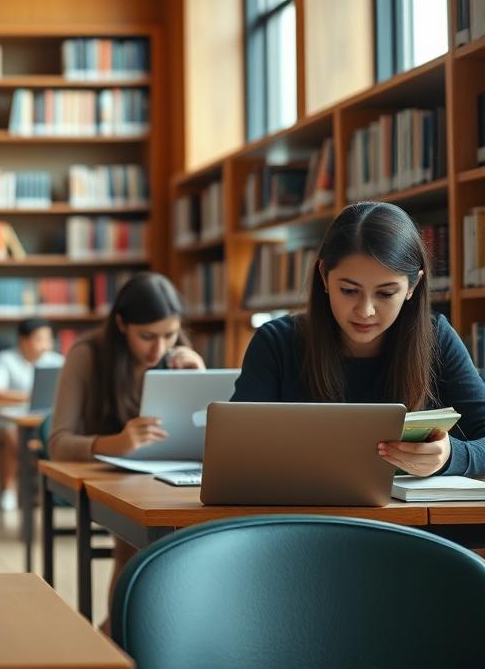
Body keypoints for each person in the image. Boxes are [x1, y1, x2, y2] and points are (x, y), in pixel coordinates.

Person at [232, 201, 485, 477]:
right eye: (349, 290)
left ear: (413, 286)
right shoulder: (276, 343)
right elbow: (234, 447)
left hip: (408, 517)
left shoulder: (436, 338)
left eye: (386, 293)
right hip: (300, 512)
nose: (365, 311)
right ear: (324, 277)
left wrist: (451, 456)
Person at [46, 271, 205, 632]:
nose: (159, 349)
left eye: (170, 335)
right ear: (121, 324)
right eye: (147, 336)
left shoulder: (177, 356)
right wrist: (114, 443)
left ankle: (152, 633)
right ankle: (124, 633)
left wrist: (198, 377)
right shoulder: (87, 356)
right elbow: (58, 442)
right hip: (115, 480)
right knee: (133, 542)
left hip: (171, 476)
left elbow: (207, 434)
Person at [0, 317, 65, 510]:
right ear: (23, 340)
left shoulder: (56, 361)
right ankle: (10, 489)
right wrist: (26, 397)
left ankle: (57, 489)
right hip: (12, 421)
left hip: (47, 420)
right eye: (39, 339)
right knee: (14, 434)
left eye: (48, 339)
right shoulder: (6, 359)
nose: (45, 345)